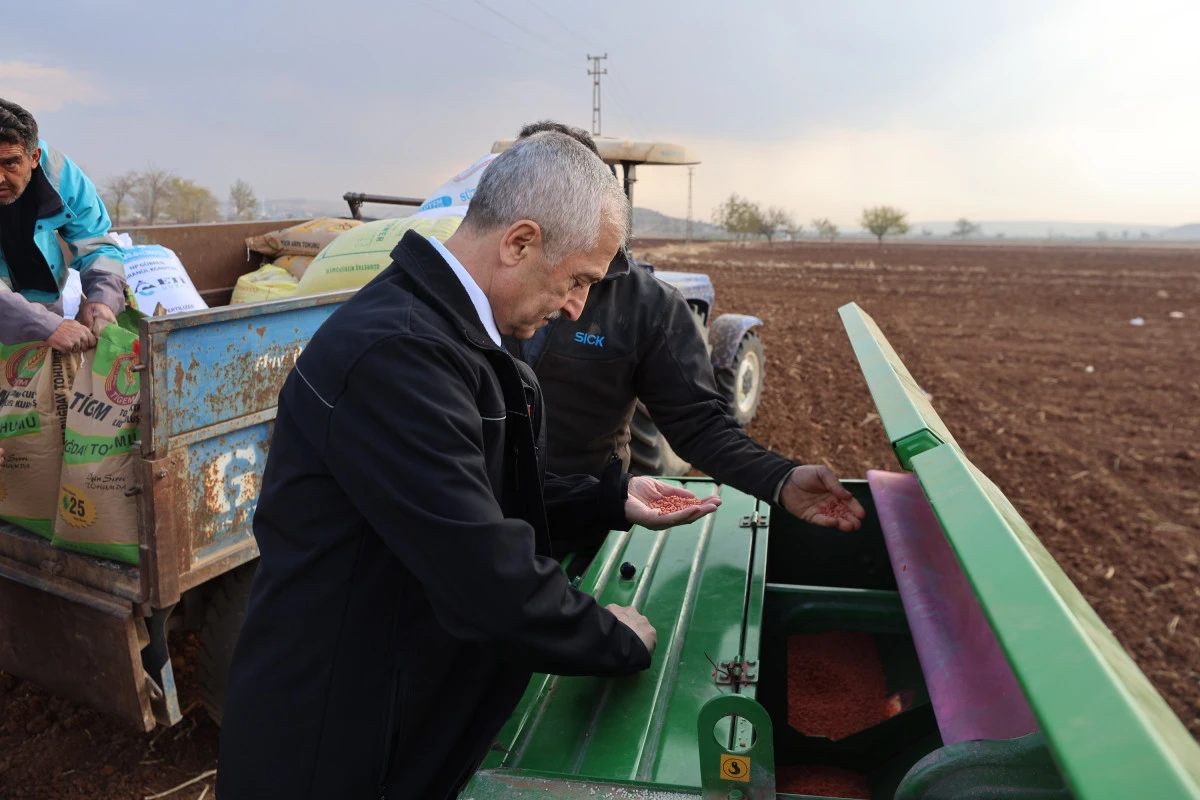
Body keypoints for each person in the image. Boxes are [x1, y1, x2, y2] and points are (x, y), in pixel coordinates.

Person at [216, 132, 719, 800]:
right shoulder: (397, 356)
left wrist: (610, 497)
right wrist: (614, 636)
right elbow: (485, 578)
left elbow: (475, 488)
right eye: (577, 281)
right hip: (336, 743)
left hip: (395, 703)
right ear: (519, 243)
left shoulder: (449, 336)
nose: (576, 307)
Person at [475, 122, 865, 533]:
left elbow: (698, 422)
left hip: (577, 515)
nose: (574, 303)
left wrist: (780, 479)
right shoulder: (477, 282)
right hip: (465, 506)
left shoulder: (648, 305)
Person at [0, 99, 126, 351]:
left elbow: (97, 243)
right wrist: (46, 325)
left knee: (41, 377)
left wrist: (102, 299)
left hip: (39, 289)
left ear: (34, 157)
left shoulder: (61, 176)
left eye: (10, 163)